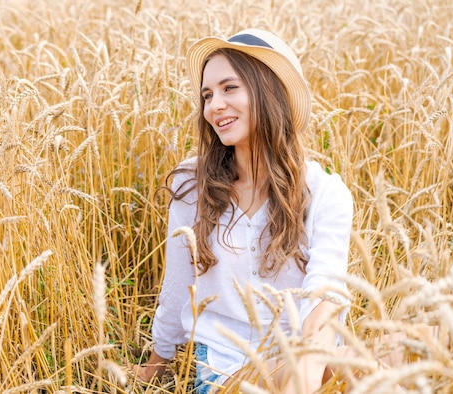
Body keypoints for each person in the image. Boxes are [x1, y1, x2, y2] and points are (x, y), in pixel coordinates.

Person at [132, 28, 354, 393]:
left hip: (308, 359)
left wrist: (309, 363)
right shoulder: (193, 184)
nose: (214, 106)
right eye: (207, 95)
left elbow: (326, 293)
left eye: (229, 88)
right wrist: (157, 364)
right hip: (226, 368)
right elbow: (178, 286)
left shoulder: (327, 193)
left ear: (270, 92)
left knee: (412, 350)